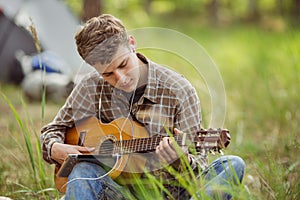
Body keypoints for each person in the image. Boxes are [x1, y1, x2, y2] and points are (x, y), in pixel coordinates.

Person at [40, 14, 245, 199]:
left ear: (132, 44)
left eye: (123, 64)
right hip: (118, 193)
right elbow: (53, 130)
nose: (120, 78)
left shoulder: (179, 90)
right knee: (80, 173)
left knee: (232, 165)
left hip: (171, 194)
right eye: (107, 74)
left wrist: (179, 160)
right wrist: (54, 147)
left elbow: (199, 167)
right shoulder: (90, 87)